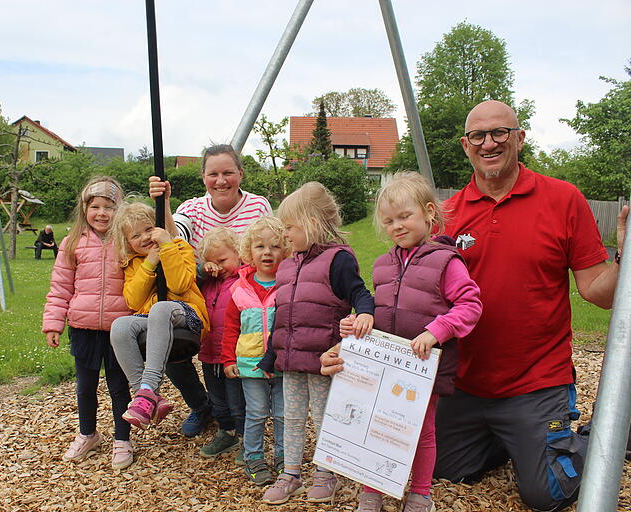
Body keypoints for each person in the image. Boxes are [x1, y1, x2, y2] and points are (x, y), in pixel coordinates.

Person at [322, 100, 628, 511]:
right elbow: (406, 303)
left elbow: (598, 293)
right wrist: (357, 350)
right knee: (444, 469)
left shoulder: (563, 199)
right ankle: (511, 441)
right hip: (461, 382)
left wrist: (624, 258)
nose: (489, 143)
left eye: (500, 132)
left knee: (544, 495)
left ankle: (598, 437)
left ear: (519, 138)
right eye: (478, 136)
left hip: (535, 381)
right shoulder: (444, 217)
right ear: (466, 145)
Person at [328, 172, 483, 512]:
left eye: (404, 216)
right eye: (388, 221)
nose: (396, 226)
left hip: (423, 368)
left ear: (429, 213)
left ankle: (421, 492)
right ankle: (373, 489)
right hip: (382, 366)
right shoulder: (383, 265)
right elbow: (382, 312)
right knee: (375, 424)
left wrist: (437, 330)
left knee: (421, 430)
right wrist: (358, 324)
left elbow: (471, 305)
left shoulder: (447, 261)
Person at [258, 182, 375, 505]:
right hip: (292, 361)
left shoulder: (338, 261)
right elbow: (282, 315)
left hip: (324, 360)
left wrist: (365, 315)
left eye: (290, 227)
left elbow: (360, 294)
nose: (286, 235)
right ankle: (291, 474)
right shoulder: (287, 265)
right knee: (291, 417)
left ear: (311, 222)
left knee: (326, 418)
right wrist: (271, 355)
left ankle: (326, 473)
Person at [148, 143, 272, 437]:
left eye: (228, 172)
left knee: (234, 357)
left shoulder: (257, 206)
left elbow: (264, 252)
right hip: (197, 295)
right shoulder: (191, 208)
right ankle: (201, 406)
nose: (221, 180)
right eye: (213, 174)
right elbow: (175, 237)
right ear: (203, 177)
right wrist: (164, 202)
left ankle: (241, 420)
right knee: (171, 344)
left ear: (240, 174)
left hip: (240, 295)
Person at [42, 176, 136, 470]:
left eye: (109, 207)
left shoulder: (127, 241)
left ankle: (123, 438)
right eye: (95, 207)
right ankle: (88, 433)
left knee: (119, 385)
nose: (101, 213)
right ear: (85, 209)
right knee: (85, 386)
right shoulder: (72, 243)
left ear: (119, 210)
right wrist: (54, 323)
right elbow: (60, 287)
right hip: (82, 326)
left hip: (119, 328)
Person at [109, 202, 210, 429]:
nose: (145, 237)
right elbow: (133, 301)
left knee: (161, 308)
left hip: (187, 316)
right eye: (136, 235)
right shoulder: (133, 263)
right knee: (120, 326)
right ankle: (145, 396)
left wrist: (166, 248)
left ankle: (149, 389)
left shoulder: (179, 248)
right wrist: (149, 264)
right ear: (127, 242)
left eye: (148, 229)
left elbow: (181, 284)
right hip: (155, 321)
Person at [221, 216, 292, 486]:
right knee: (257, 412)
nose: (267, 252)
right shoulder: (239, 289)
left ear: (285, 251)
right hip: (250, 364)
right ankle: (253, 455)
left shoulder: (288, 285)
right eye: (260, 247)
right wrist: (228, 358)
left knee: (284, 413)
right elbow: (230, 327)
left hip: (284, 362)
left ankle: (285, 455)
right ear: (249, 252)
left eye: (275, 246)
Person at [196, 227, 247, 462]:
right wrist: (204, 270)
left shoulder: (244, 280)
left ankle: (248, 439)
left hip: (235, 353)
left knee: (238, 400)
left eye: (223, 260)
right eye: (212, 262)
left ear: (238, 253)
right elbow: (190, 278)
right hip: (209, 352)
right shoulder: (208, 283)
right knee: (217, 398)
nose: (218, 266)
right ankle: (226, 432)